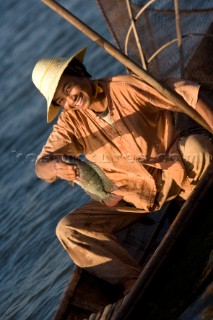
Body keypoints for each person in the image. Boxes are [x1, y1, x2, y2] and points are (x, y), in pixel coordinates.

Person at [32, 47, 213, 295]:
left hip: (173, 173)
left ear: (78, 72)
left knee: (198, 148)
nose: (70, 101)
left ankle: (192, 201)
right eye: (62, 101)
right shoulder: (70, 122)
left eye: (68, 90)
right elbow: (41, 166)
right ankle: (132, 282)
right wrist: (54, 166)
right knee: (68, 229)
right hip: (128, 196)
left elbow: (189, 93)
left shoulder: (124, 87)